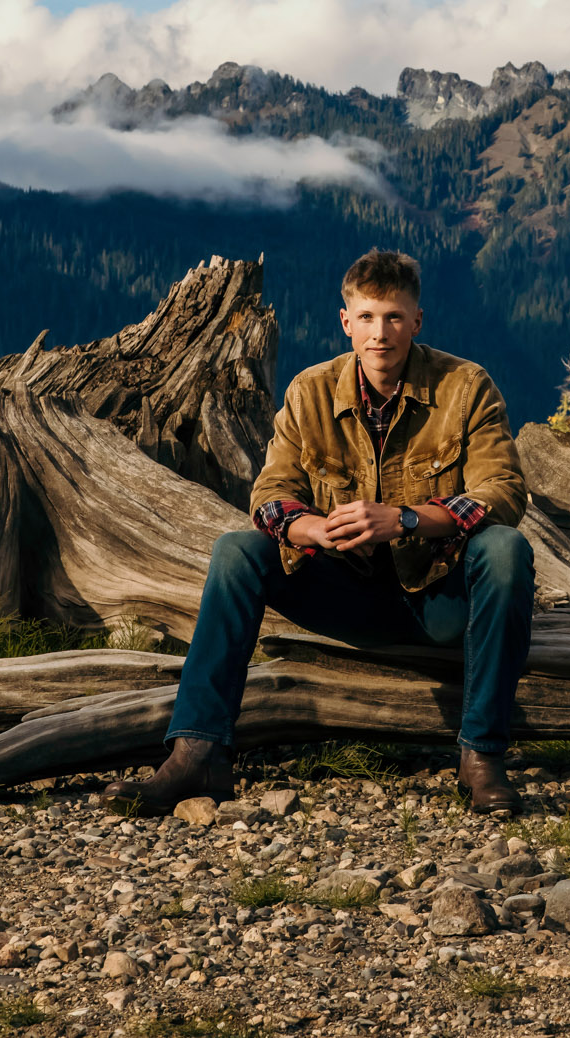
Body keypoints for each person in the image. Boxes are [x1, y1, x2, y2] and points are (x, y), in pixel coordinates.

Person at [107, 249, 536, 815]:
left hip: (439, 600)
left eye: (393, 317)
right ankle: (198, 753)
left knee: (506, 549)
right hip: (344, 594)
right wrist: (311, 529)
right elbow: (268, 497)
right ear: (345, 321)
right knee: (238, 549)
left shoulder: (466, 387)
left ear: (417, 321)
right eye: (366, 318)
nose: (379, 333)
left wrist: (406, 518)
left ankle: (480, 757)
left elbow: (503, 491)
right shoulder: (310, 392)